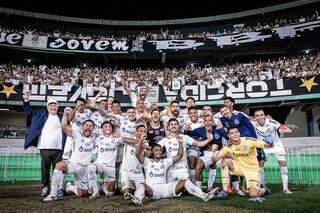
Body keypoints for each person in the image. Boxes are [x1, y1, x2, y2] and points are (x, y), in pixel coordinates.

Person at [135, 135, 217, 202]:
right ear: (152, 152)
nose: (158, 152)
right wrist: (140, 141)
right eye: (156, 150)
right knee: (141, 185)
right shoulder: (147, 162)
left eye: (160, 150)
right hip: (152, 190)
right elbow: (138, 154)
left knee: (184, 181)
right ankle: (137, 199)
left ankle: (204, 196)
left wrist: (180, 143)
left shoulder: (165, 161)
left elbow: (179, 155)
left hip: (166, 188)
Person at [43, 109, 97, 201]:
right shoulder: (76, 134)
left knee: (82, 194)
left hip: (85, 169)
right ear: (83, 127)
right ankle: (53, 194)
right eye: (86, 125)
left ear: (93, 128)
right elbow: (64, 126)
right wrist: (64, 115)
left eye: (91, 126)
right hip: (74, 164)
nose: (88, 127)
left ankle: (69, 187)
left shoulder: (96, 138)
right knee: (59, 165)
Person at [23, 91, 66, 197]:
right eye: (51, 105)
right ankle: (45, 187)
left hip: (58, 148)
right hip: (44, 147)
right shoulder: (40, 114)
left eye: (55, 105)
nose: (53, 107)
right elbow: (28, 111)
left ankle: (58, 188)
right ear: (47, 107)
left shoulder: (61, 117)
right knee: (45, 169)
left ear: (57, 107)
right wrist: (26, 99)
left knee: (58, 170)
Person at [212, 127, 273, 202]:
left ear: (239, 133)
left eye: (236, 132)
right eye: (232, 133)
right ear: (229, 135)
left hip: (252, 170)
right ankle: (226, 190)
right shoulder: (228, 146)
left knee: (253, 195)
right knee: (225, 161)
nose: (235, 134)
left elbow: (268, 145)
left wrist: (270, 142)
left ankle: (264, 190)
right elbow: (216, 158)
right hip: (239, 168)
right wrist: (214, 151)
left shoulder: (248, 140)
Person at [252, 109, 293, 194]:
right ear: (255, 117)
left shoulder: (271, 122)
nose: (260, 117)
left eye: (261, 115)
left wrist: (285, 130)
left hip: (276, 145)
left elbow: (282, 128)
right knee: (260, 165)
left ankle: (285, 188)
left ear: (264, 115)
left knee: (282, 163)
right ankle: (262, 186)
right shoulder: (252, 122)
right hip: (264, 146)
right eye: (257, 115)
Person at [185, 115, 229, 190]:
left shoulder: (219, 130)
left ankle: (216, 187)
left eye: (210, 120)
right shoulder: (199, 130)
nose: (208, 122)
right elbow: (188, 134)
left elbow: (229, 139)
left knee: (221, 162)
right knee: (198, 167)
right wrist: (186, 130)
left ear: (213, 122)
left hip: (218, 154)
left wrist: (224, 128)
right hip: (204, 154)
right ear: (203, 122)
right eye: (206, 121)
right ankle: (198, 189)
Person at [88, 121, 122, 199]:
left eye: (109, 126)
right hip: (100, 164)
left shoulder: (116, 139)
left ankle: (102, 185)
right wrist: (92, 160)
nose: (108, 128)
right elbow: (93, 151)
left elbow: (124, 142)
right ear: (102, 129)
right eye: (105, 126)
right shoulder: (98, 139)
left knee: (110, 194)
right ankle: (95, 190)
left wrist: (120, 136)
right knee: (91, 167)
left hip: (110, 167)